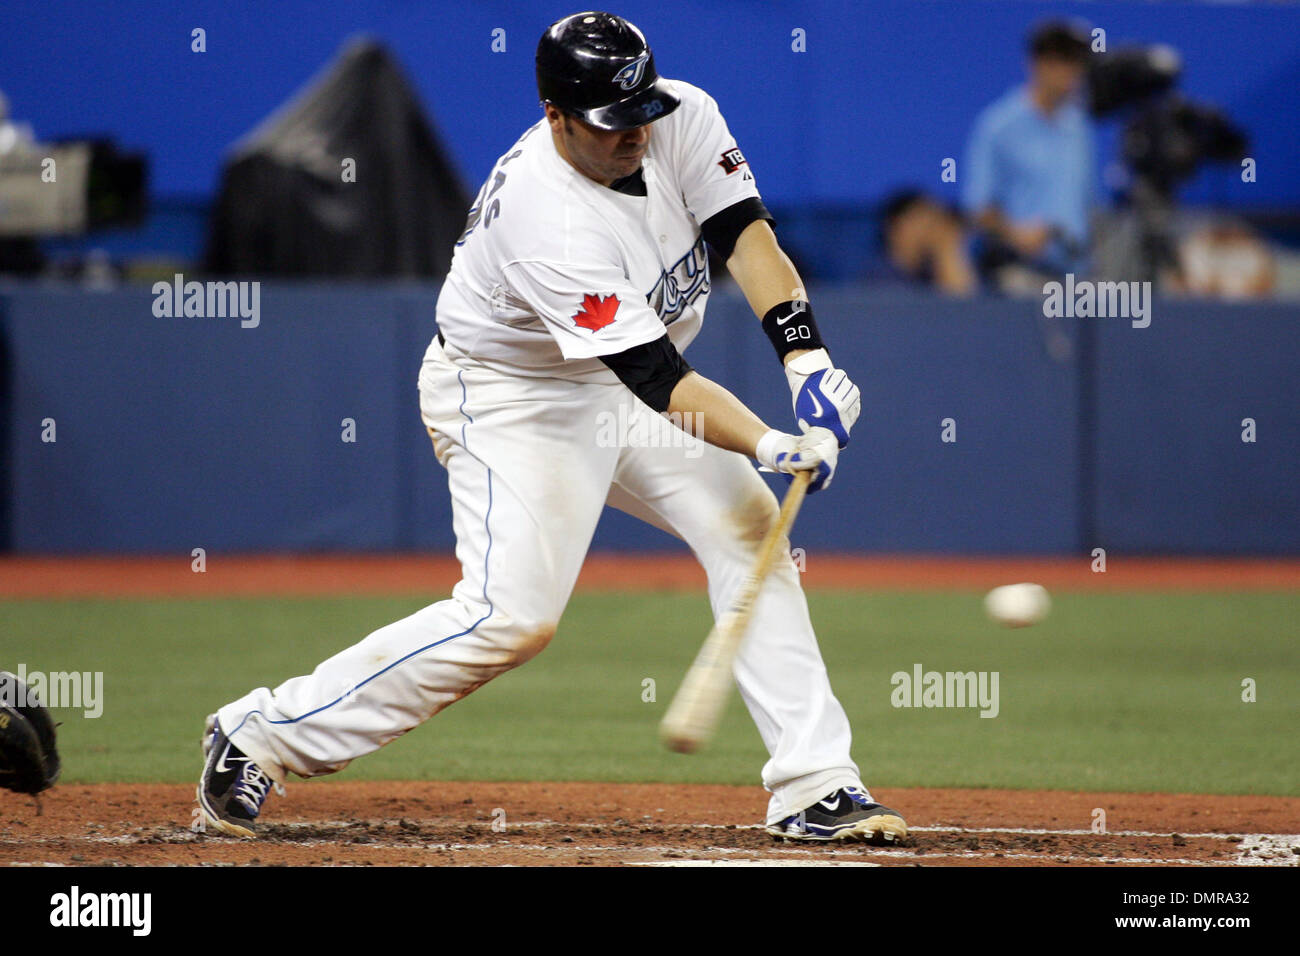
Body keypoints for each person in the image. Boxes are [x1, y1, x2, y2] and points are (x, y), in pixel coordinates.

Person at [196, 11, 906, 846]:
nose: (633, 133)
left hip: (618, 383)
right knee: (512, 617)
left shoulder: (680, 114)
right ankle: (259, 734)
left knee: (752, 530)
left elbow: (745, 237)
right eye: (608, 123)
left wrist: (806, 362)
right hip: (511, 400)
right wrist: (771, 442)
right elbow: (661, 382)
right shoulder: (548, 219)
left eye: (640, 109)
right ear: (554, 115)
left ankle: (814, 784)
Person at [962, 19, 1098, 281]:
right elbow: (978, 209)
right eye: (1066, 62)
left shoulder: (1080, 127)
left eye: (1079, 63)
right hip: (1022, 275)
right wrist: (1015, 233)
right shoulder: (997, 126)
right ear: (1039, 64)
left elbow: (1089, 205)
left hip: (1079, 278)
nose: (1075, 74)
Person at [879, 189, 978, 295]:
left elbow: (963, 295)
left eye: (935, 221)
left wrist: (946, 247)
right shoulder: (881, 281)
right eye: (925, 221)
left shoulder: (930, 274)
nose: (932, 228)